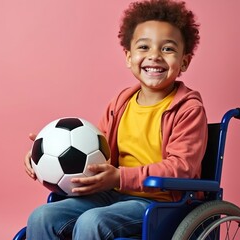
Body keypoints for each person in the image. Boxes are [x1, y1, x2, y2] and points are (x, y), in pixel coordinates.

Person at [23, 0, 207, 239]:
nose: (154, 56)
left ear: (184, 61)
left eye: (168, 49)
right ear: (129, 57)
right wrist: (46, 150)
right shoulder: (121, 102)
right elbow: (99, 151)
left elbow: (180, 169)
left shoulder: (188, 109)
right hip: (112, 194)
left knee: (93, 222)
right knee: (41, 216)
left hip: (160, 204)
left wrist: (120, 176)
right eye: (144, 47)